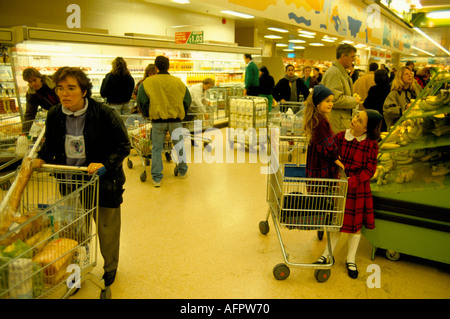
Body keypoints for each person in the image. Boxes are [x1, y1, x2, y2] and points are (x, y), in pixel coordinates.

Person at [33, 67, 131, 287]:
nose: (64, 93)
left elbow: (123, 145)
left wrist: (104, 163)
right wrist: (41, 157)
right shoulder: (55, 114)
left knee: (107, 229)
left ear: (84, 91)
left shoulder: (104, 113)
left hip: (103, 183)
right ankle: (75, 273)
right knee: (73, 232)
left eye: (71, 88)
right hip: (70, 182)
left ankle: (110, 268)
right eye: (60, 88)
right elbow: (51, 145)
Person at [315, 109, 383, 279]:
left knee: (355, 228)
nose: (354, 120)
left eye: (360, 121)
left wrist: (352, 181)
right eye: (356, 116)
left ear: (367, 128)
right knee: (336, 222)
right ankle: (327, 253)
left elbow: (370, 170)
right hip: (338, 186)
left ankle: (351, 259)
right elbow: (332, 157)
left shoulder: (371, 144)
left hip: (357, 188)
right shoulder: (340, 136)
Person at [137, 55, 191, 187]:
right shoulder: (178, 82)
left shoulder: (148, 83)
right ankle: (183, 171)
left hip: (158, 121)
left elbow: (141, 101)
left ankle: (157, 178)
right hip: (175, 120)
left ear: (155, 67)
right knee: (179, 145)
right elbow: (187, 100)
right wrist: (181, 112)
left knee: (156, 149)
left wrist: (147, 113)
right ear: (169, 66)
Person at [304, 84, 345, 179]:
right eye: (327, 101)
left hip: (316, 160)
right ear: (318, 103)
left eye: (332, 101)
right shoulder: (320, 121)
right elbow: (326, 144)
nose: (331, 104)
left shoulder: (317, 118)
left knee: (317, 189)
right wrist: (336, 159)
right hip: (321, 163)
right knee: (321, 189)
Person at [321, 43, 360, 134]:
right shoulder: (335, 73)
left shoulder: (340, 73)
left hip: (339, 123)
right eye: (352, 57)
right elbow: (334, 99)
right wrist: (354, 100)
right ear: (343, 56)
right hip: (336, 124)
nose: (354, 60)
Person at [21, 67, 59, 132]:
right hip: (54, 116)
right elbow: (30, 114)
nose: (33, 84)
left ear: (40, 77)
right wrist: (24, 133)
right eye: (30, 82)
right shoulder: (32, 94)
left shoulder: (53, 81)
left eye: (34, 80)